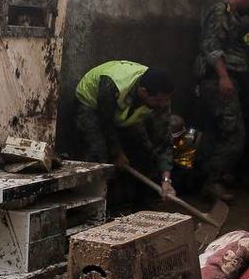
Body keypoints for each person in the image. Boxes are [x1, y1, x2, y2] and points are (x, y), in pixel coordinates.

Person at [196, 0, 249, 201]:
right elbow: (212, 47)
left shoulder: (233, 14)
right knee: (231, 133)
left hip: (232, 80)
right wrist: (223, 77)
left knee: (238, 130)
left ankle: (231, 178)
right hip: (221, 81)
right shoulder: (221, 12)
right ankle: (212, 182)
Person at [74, 61, 175, 198]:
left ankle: (141, 206)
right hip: (93, 106)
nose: (162, 105)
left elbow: (163, 139)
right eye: (158, 101)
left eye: (166, 100)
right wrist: (117, 153)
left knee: (145, 151)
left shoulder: (160, 99)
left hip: (123, 113)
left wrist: (166, 179)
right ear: (143, 92)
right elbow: (106, 123)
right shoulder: (113, 85)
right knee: (98, 154)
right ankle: (95, 203)